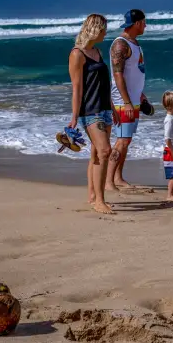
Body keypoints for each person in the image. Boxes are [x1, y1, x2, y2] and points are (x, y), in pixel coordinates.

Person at [67, 14, 114, 214]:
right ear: (96, 29)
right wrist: (74, 117)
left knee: (96, 153)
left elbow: (104, 84)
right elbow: (77, 88)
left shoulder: (96, 51)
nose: (106, 32)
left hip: (105, 109)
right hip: (90, 110)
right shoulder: (77, 54)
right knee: (105, 151)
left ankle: (93, 197)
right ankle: (100, 201)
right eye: (104, 29)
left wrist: (112, 106)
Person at [106, 9, 150, 191]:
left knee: (126, 140)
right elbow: (118, 75)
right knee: (122, 140)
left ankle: (118, 177)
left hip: (133, 99)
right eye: (144, 22)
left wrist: (140, 94)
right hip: (122, 102)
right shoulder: (120, 45)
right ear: (137, 23)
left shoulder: (134, 43)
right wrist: (126, 102)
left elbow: (135, 73)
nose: (146, 25)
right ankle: (108, 181)